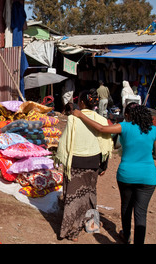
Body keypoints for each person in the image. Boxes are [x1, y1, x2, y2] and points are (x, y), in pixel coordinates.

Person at [73, 103, 156, 244]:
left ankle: (126, 236)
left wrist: (81, 115)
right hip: (148, 176)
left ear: (127, 115)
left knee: (126, 206)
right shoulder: (154, 131)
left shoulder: (125, 127)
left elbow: (102, 128)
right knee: (141, 213)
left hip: (127, 175)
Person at [55, 89, 113, 242]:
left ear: (81, 102)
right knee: (90, 193)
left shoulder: (74, 119)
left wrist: (60, 157)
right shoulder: (101, 120)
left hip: (76, 162)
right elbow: (105, 142)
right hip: (93, 162)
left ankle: (72, 232)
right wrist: (104, 165)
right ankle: (92, 224)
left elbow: (65, 142)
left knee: (73, 198)